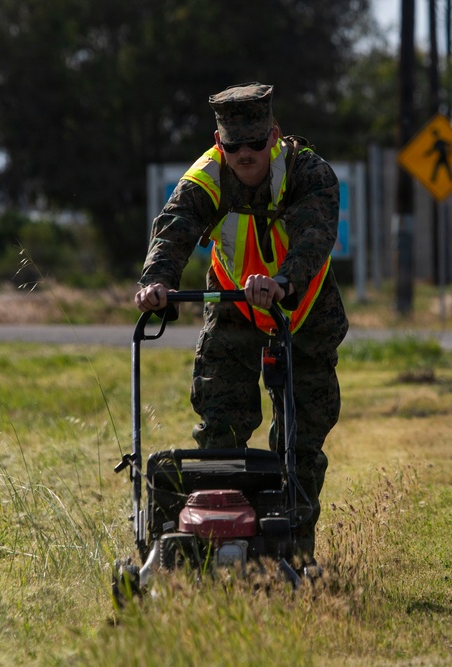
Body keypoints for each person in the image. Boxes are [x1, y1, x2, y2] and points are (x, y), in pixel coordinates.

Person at [134, 82, 348, 565]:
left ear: (274, 135)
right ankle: (211, 544)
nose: (245, 154)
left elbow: (314, 238)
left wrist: (282, 281)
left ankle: (292, 551)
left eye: (255, 143)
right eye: (233, 146)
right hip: (233, 302)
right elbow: (173, 230)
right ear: (218, 141)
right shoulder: (206, 177)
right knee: (221, 423)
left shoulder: (309, 173)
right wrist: (156, 284)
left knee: (301, 438)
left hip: (304, 309)